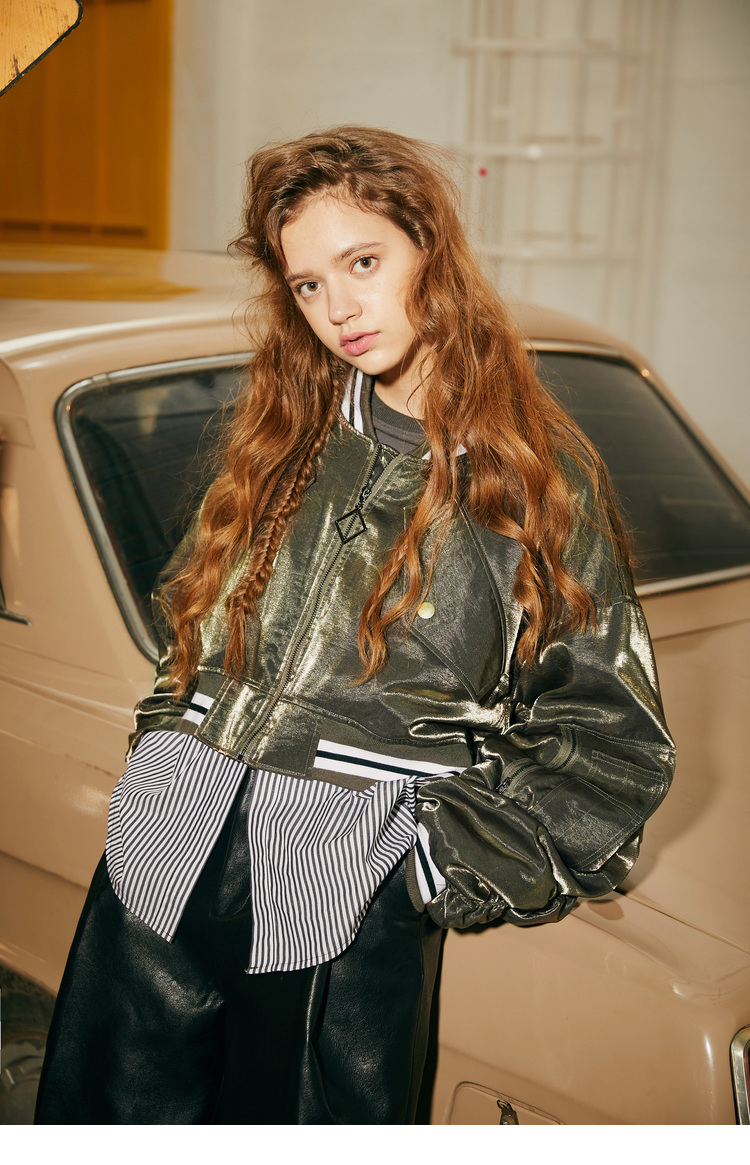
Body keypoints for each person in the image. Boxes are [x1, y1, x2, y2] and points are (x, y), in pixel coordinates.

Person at [35, 126, 675, 1125]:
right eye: (308, 284)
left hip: (334, 912)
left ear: (431, 250)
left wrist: (424, 866)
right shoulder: (281, 435)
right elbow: (188, 626)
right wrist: (161, 755)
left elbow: (612, 747)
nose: (338, 309)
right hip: (159, 869)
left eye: (363, 263)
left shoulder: (532, 481)